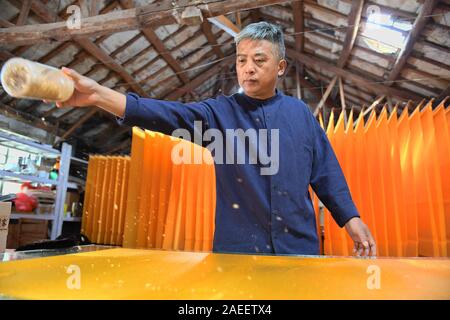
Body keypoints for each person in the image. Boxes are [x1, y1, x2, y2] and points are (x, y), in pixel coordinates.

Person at [50, 22, 376, 257]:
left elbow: (325, 172)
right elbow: (166, 114)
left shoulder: (300, 114)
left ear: (280, 67)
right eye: (241, 59)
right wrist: (98, 95)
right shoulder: (219, 114)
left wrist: (351, 218)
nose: (247, 68)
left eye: (259, 60)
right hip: (238, 253)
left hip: (300, 251)